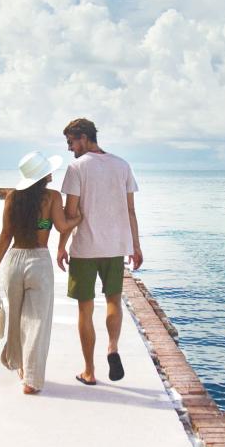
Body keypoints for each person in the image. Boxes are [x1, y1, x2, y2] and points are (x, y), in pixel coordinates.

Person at [56, 118, 142, 385]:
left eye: (71, 142)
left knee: (86, 309)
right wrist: (135, 246)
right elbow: (130, 209)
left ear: (83, 137)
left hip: (85, 249)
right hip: (115, 246)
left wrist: (61, 246)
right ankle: (112, 348)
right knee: (114, 300)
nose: (70, 149)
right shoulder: (122, 165)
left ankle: (90, 371)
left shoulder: (76, 168)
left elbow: (71, 214)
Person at [0, 151, 74, 396]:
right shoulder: (52, 198)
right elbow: (61, 226)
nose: (51, 172)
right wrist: (78, 216)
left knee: (16, 318)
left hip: (14, 260)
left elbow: (6, 235)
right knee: (37, 322)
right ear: (43, 175)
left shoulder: (12, 198)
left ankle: (20, 367)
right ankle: (32, 380)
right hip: (38, 260)